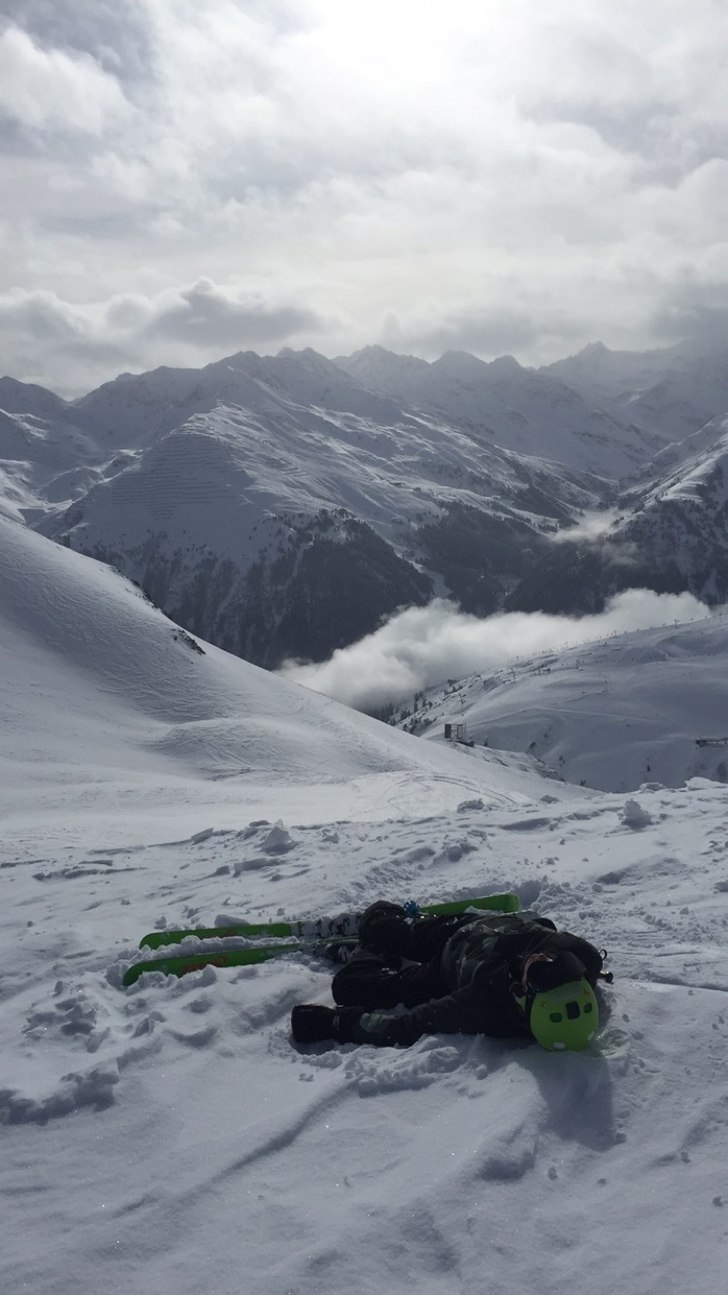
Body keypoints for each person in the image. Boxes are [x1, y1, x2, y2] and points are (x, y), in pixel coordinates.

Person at [290, 901, 612, 1052]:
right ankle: (376, 933)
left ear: (523, 997)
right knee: (378, 921)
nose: (542, 959)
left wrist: (335, 1023)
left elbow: (404, 1027)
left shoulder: (486, 1004)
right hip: (471, 927)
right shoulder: (584, 957)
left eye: (541, 973)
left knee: (348, 986)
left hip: (445, 966)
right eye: (562, 963)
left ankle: (370, 953)